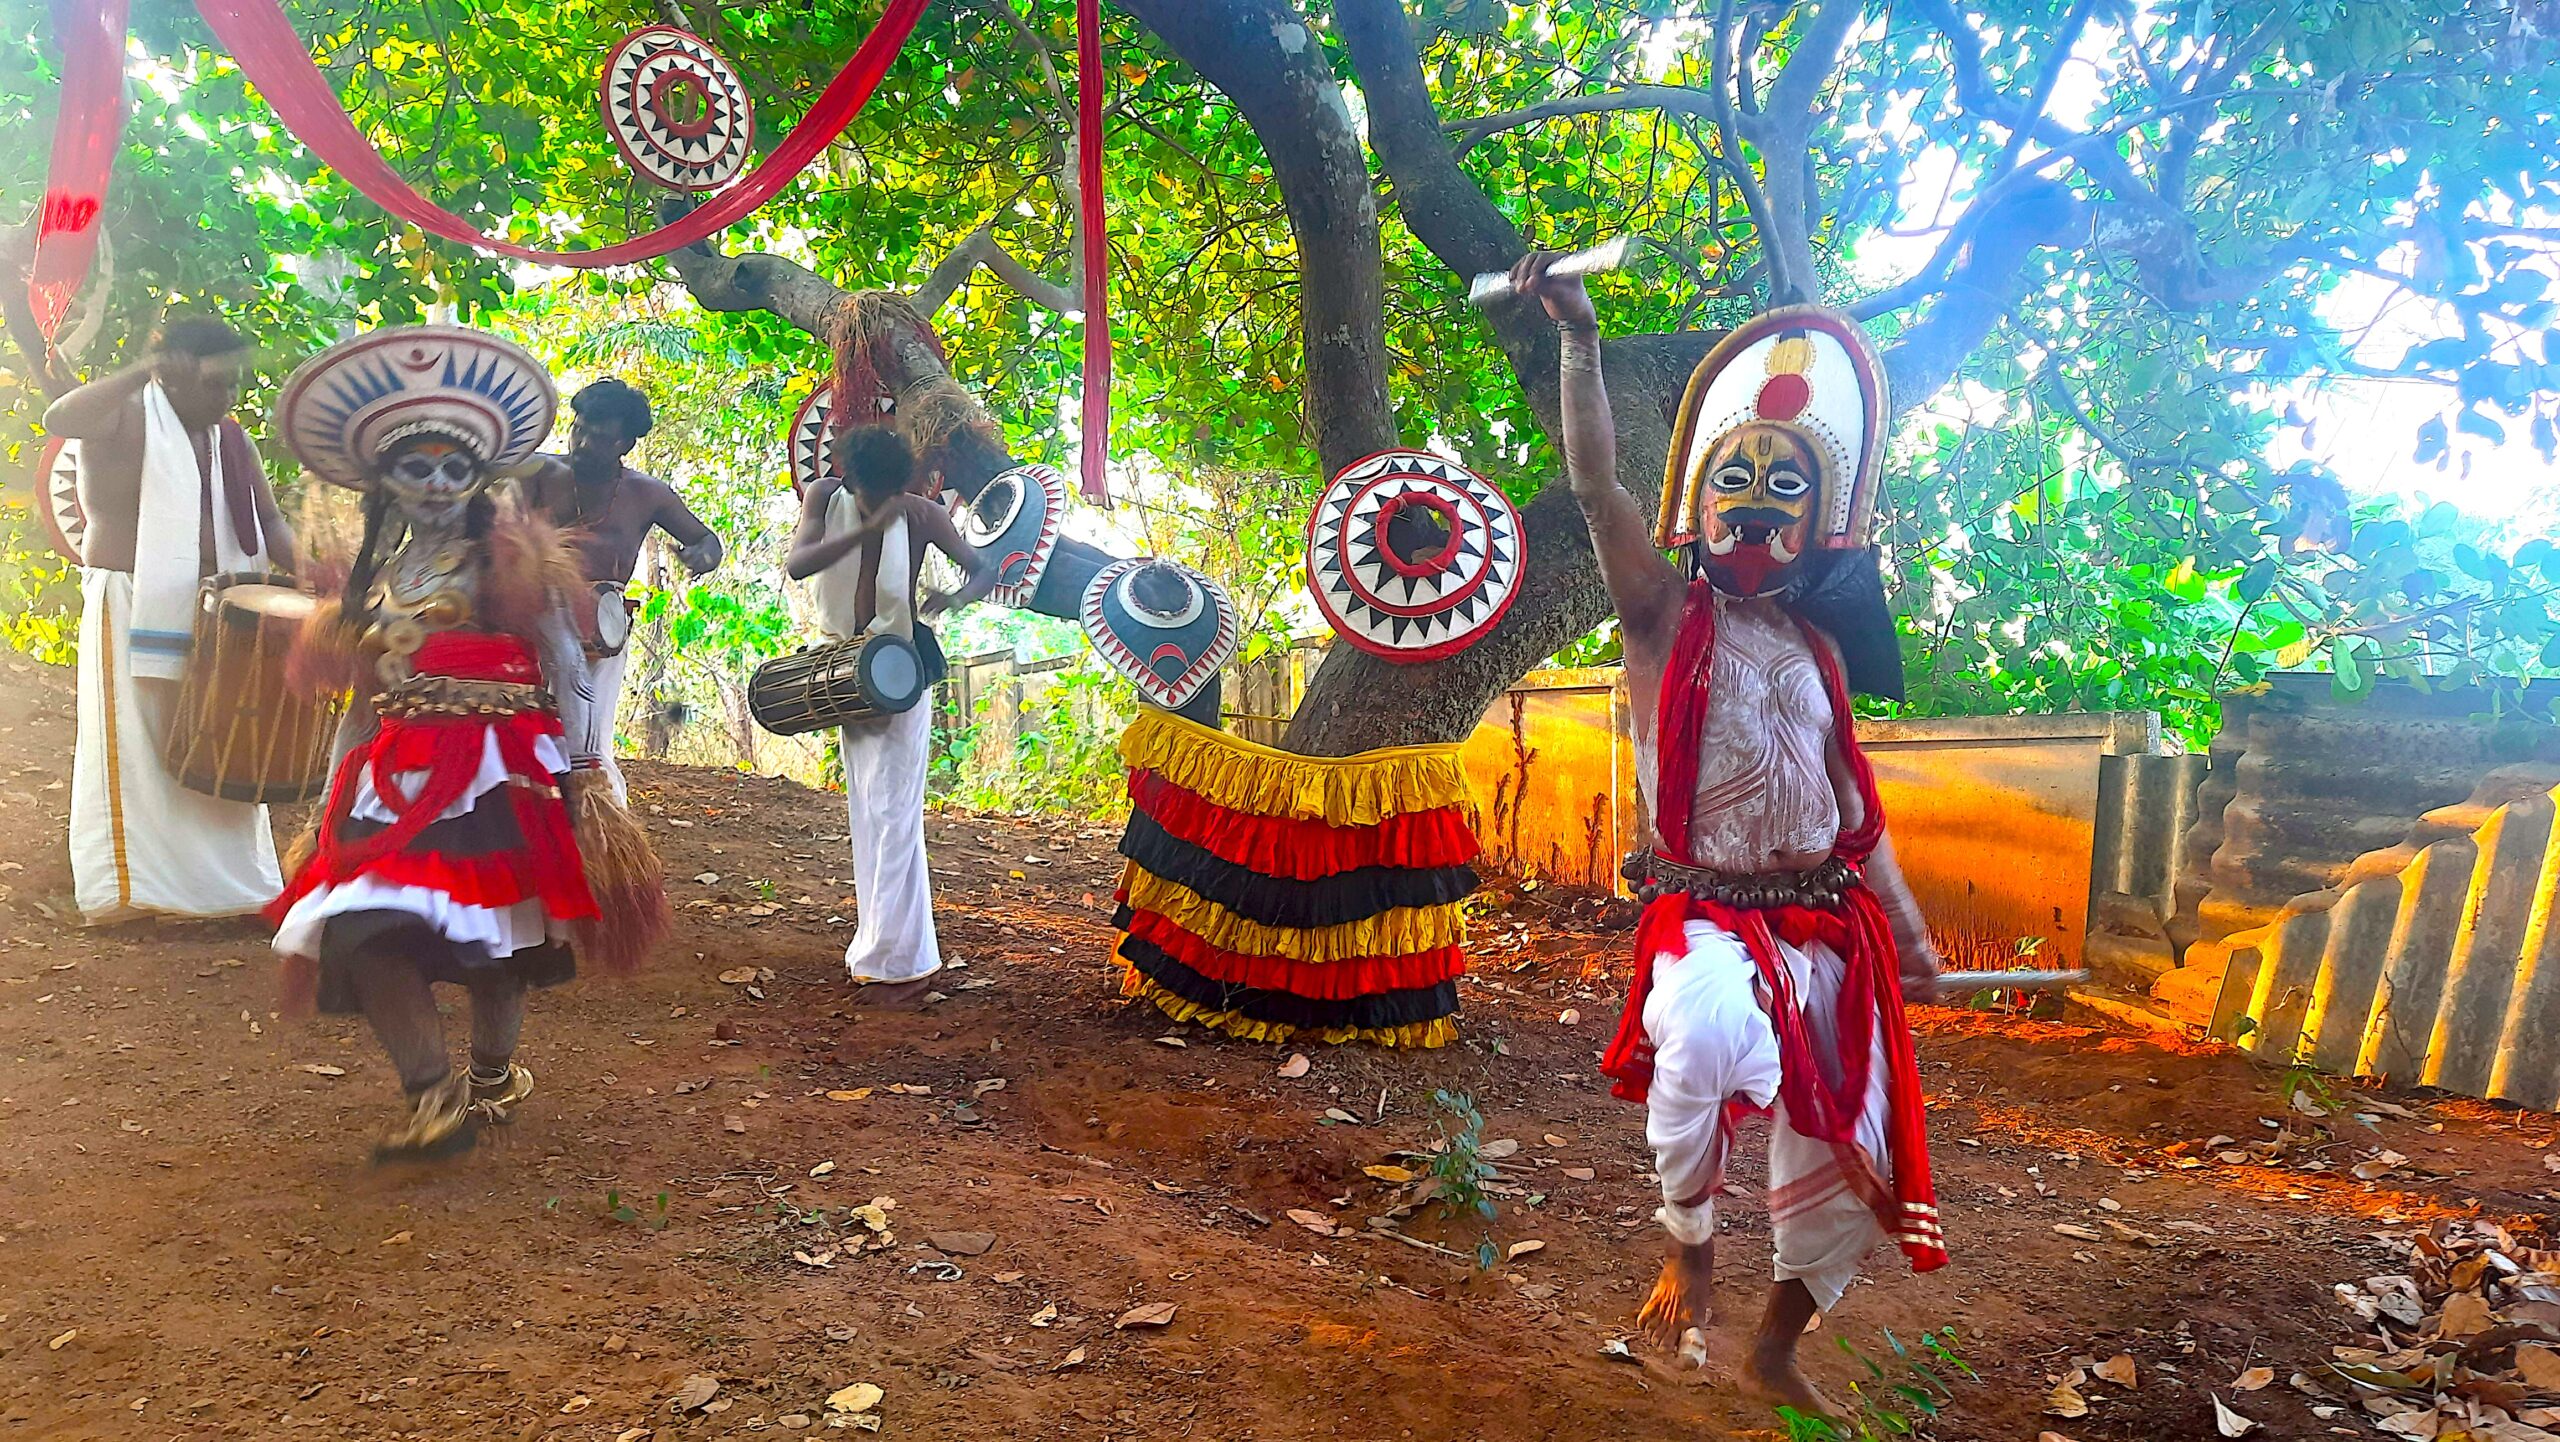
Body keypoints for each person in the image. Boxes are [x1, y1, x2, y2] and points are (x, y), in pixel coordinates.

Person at [1509, 254, 1947, 1417]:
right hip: (1704, 909)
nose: (1754, 499)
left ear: (1819, 520)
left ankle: (1773, 1348)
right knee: (1702, 1032)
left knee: (1859, 1146)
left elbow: (1852, 805)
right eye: (1734, 478)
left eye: (1783, 483)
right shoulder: (1660, 611)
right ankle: (1689, 1250)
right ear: (1699, 506)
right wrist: (1577, 340)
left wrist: (1907, 929)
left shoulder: (1821, 648)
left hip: (1828, 918)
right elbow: (1594, 485)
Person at [265, 325, 666, 1161]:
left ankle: (491, 1076)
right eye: (417, 469)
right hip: (398, 777)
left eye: (455, 469)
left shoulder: (513, 562)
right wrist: (329, 801)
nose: (438, 484)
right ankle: (432, 1096)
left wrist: (585, 776)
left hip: (502, 768)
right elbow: (363, 703)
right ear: (387, 483)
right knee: (360, 924)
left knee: (497, 944)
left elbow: (567, 663)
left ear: (478, 480)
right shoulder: (377, 585)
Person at [42, 317, 301, 924]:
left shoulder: (231, 440)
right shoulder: (122, 417)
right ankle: (135, 894)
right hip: (131, 599)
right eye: (214, 383)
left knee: (219, 738)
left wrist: (322, 577)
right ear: (174, 374)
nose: (227, 397)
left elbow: (270, 523)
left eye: (234, 384)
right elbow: (59, 419)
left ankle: (232, 891)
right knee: (140, 744)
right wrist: (143, 369)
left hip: (218, 611)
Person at [784, 425, 997, 990]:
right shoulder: (824, 497)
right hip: (843, 666)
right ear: (848, 477)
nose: (880, 502)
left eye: (889, 493)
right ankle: (883, 946)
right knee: (868, 807)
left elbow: (984, 569)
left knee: (895, 811)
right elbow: (798, 564)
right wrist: (864, 528)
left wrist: (956, 597)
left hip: (901, 670)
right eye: (869, 493)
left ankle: (897, 960)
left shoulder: (922, 515)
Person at [518, 378, 724, 800]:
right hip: (530, 618)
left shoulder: (647, 494)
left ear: (625, 443)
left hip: (602, 628)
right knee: (526, 728)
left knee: (587, 740)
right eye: (579, 429)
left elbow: (707, 540)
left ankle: (595, 816)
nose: (583, 443)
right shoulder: (538, 473)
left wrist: (701, 556)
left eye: (599, 437)